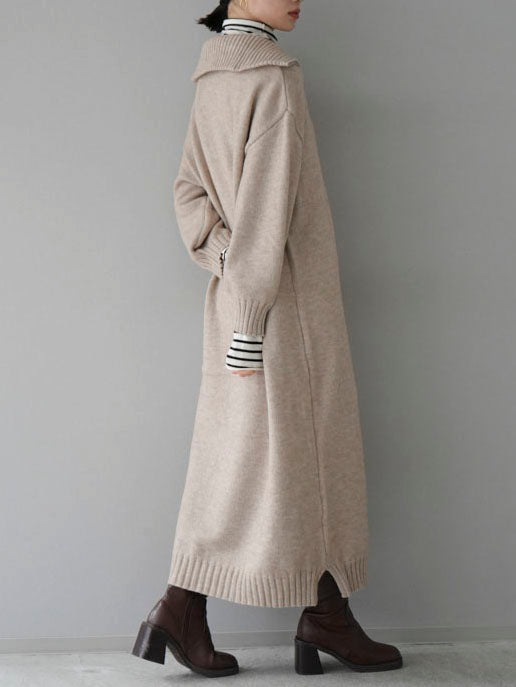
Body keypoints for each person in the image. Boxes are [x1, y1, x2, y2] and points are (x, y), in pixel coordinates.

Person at [132, 0, 403, 678]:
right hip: (286, 308)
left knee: (244, 459)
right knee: (312, 458)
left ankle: (290, 610)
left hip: (237, 299)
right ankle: (218, 607)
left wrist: (225, 264)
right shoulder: (274, 79)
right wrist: (252, 315)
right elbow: (266, 212)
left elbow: (188, 192)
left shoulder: (212, 75)